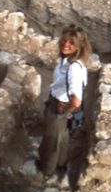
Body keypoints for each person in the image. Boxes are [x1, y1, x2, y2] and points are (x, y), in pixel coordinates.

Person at [39, 24, 91, 177]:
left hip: (60, 106)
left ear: (79, 47)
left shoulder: (73, 68)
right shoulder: (69, 61)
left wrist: (63, 110)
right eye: (65, 41)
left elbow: (76, 102)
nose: (66, 44)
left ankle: (46, 171)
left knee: (51, 141)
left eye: (71, 43)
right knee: (62, 136)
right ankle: (62, 164)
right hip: (58, 102)